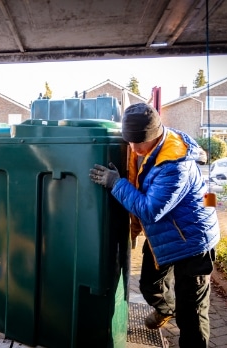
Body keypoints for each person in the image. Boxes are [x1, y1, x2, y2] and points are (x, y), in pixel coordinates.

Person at [89, 103, 220, 347]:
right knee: (150, 286)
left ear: (156, 135)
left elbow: (151, 210)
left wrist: (115, 184)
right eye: (130, 142)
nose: (133, 149)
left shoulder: (174, 164)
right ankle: (167, 309)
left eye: (138, 143)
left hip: (193, 243)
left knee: (191, 313)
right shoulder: (149, 150)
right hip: (166, 237)